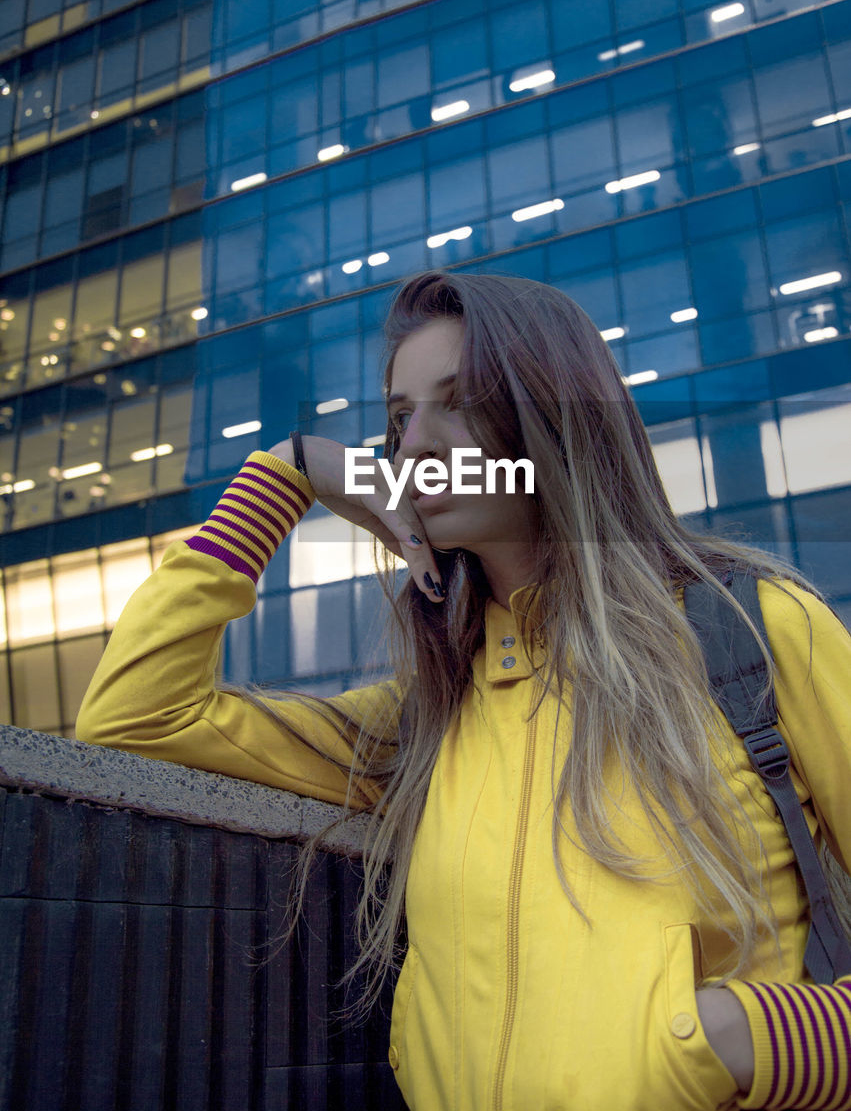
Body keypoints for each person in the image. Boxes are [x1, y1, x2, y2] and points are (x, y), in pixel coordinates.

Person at [76, 270, 851, 1111]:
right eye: (399, 418)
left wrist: (733, 1042)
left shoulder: (751, 631)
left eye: (462, 401)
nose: (412, 446)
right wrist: (286, 474)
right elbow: (134, 716)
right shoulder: (424, 718)